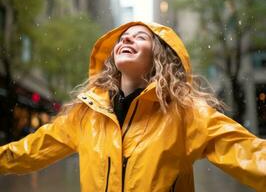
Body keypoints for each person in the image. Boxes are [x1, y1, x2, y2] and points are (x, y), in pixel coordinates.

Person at [0, 21, 265, 192]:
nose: (127, 40)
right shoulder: (84, 115)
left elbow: (249, 153)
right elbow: (28, 151)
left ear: (159, 55)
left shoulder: (186, 114)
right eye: (123, 38)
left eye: (139, 37)